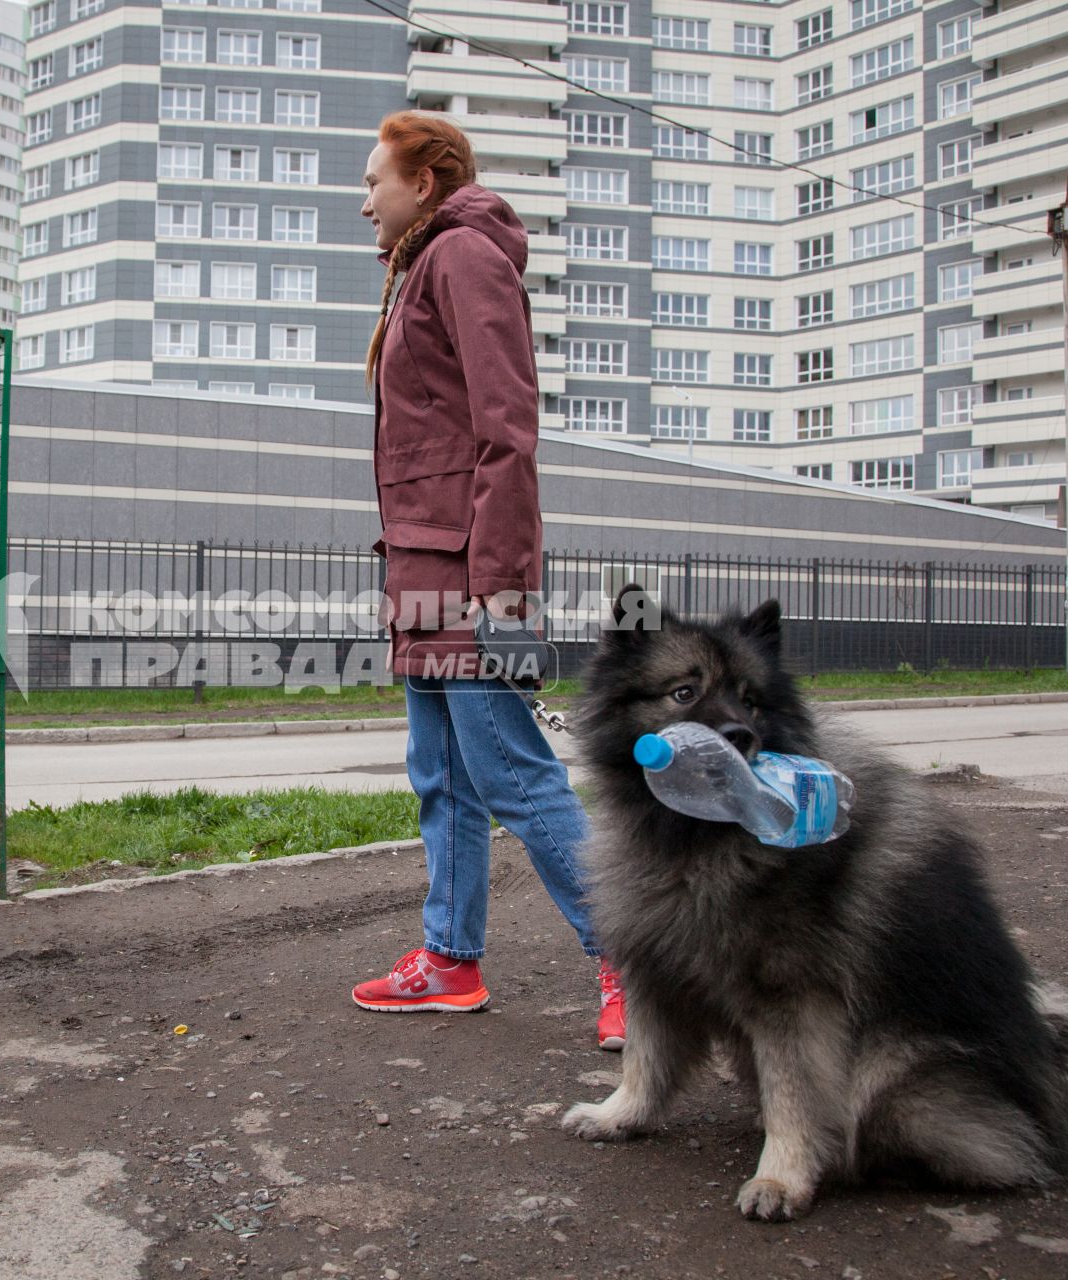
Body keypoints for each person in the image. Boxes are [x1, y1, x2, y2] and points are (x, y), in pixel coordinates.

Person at [349, 111, 626, 1049]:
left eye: (375, 182)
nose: (364, 203)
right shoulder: (422, 265)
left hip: (468, 575)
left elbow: (508, 430)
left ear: (423, 182)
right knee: (443, 777)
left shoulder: (464, 256)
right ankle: (450, 962)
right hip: (425, 566)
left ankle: (639, 961)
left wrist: (502, 588)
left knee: (512, 770)